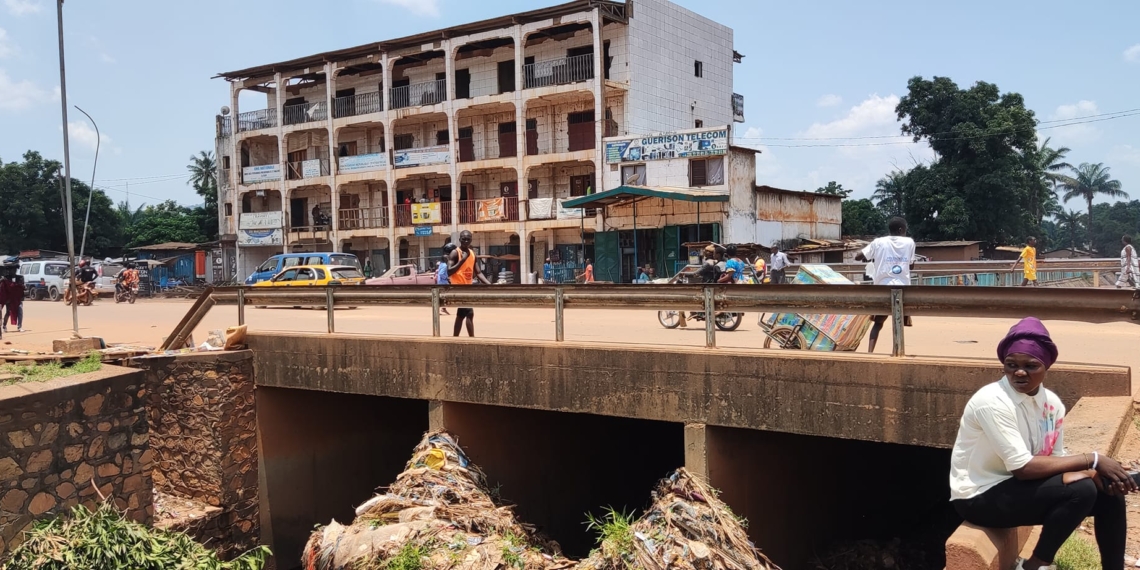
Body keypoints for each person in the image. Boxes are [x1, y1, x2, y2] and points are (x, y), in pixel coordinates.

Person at [950, 317, 1136, 570]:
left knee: (1106, 494)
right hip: (979, 496)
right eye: (1011, 365)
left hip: (1015, 487)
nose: (1019, 372)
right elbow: (1023, 469)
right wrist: (1092, 460)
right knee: (1080, 491)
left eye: (1030, 365)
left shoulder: (1051, 404)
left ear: (1046, 366)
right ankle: (1036, 565)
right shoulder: (992, 402)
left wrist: (1092, 473)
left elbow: (1055, 458)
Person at [855, 216, 916, 353]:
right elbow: (911, 266)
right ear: (901, 230)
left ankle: (870, 352)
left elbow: (857, 256)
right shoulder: (909, 242)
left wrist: (868, 256)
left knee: (878, 323)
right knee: (898, 320)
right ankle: (898, 351)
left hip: (882, 288)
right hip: (902, 288)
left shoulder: (878, 242)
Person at [447, 230, 490, 337]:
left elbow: (478, 272)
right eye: (464, 239)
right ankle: (472, 339)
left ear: (471, 240)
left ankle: (455, 338)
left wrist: (489, 284)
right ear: (459, 239)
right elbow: (449, 271)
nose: (466, 241)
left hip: (467, 288)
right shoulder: (455, 253)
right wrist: (462, 260)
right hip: (457, 288)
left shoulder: (472, 253)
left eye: (468, 239)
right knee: (469, 313)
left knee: (461, 315)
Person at [437, 243, 455, 316]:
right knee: (444, 296)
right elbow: (441, 274)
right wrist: (447, 278)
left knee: (443, 296)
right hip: (443, 283)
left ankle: (443, 308)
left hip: (441, 282)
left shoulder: (441, 264)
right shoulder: (444, 265)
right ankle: (442, 308)